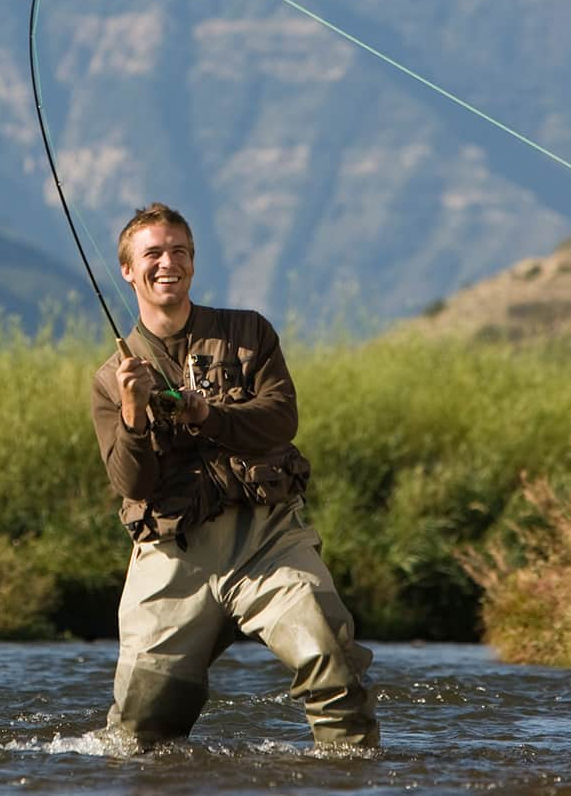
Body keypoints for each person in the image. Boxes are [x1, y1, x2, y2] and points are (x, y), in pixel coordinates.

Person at [89, 202, 379, 748]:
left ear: (193, 262)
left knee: (330, 664)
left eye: (180, 251)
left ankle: (352, 774)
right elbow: (133, 484)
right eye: (153, 253)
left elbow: (280, 419)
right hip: (174, 558)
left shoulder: (249, 333)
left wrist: (208, 414)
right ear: (128, 270)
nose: (167, 262)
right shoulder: (111, 379)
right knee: (141, 732)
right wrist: (132, 412)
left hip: (267, 542)